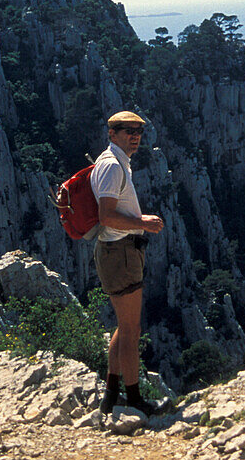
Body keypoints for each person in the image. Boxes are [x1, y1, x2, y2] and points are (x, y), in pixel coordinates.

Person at [92, 110, 167, 416]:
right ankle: (134, 398)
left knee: (124, 327)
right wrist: (142, 222)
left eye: (138, 131)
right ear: (112, 133)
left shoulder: (115, 162)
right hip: (119, 252)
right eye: (127, 131)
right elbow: (106, 216)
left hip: (119, 251)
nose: (134, 136)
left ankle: (111, 395)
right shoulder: (111, 167)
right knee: (132, 329)